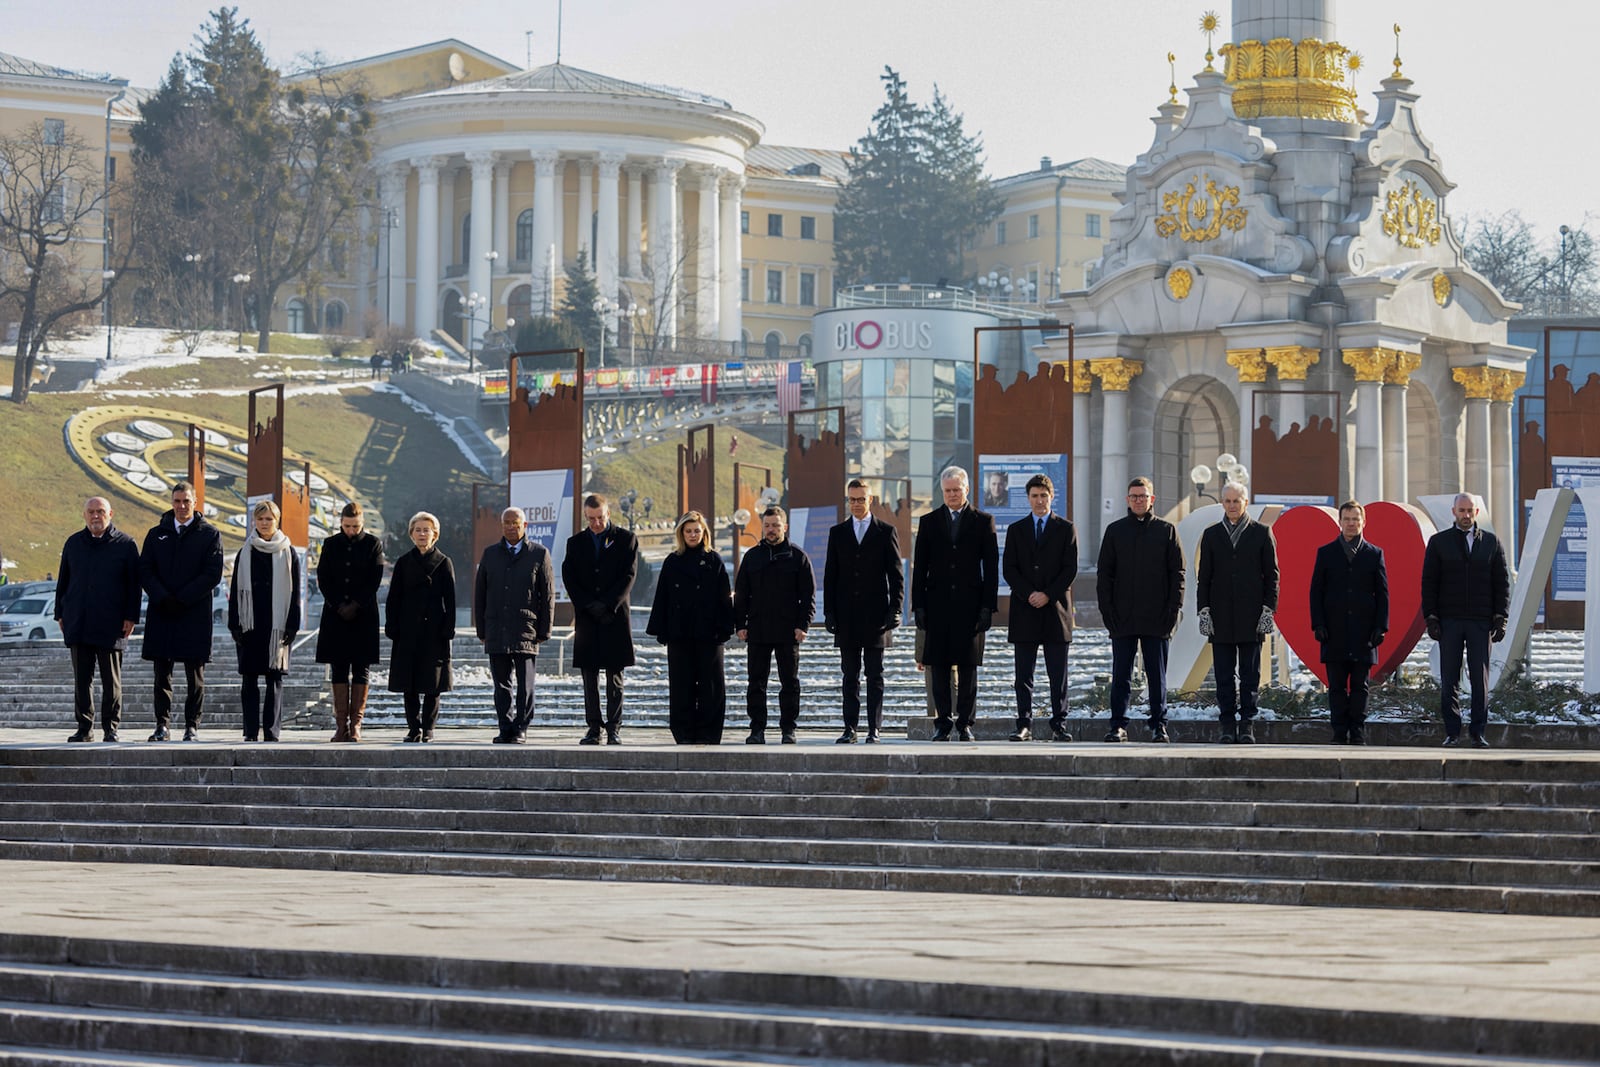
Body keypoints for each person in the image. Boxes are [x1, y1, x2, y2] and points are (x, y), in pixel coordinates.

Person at [912, 466, 999, 742]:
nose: (951, 495)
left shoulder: (983, 521)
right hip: (937, 605)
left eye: (956, 490)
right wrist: (919, 606)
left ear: (966, 489)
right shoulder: (928, 522)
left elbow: (992, 568)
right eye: (947, 490)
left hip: (970, 606)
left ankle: (965, 723)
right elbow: (920, 567)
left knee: (968, 666)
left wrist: (988, 606)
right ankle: (942, 723)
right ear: (942, 491)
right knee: (938, 666)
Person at [1096, 477, 1185, 742]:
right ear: (1127, 500)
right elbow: (1104, 575)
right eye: (1134, 496)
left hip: (1157, 617)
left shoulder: (1167, 531)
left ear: (1152, 500)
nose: (1138, 500)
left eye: (1143, 496)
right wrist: (1107, 611)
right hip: (1121, 617)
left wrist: (1173, 610)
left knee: (1156, 676)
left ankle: (1159, 725)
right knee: (1120, 675)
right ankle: (1118, 726)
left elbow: (1177, 574)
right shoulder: (1115, 531)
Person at [1422, 492, 1511, 747]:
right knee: (1449, 677)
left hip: (1480, 622)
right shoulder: (1439, 543)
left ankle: (1477, 732)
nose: (1466, 515)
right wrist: (1431, 617)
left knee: (1479, 679)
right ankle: (1452, 732)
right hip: (1449, 620)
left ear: (1476, 513)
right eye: (1461, 510)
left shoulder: (1491, 543)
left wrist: (1500, 617)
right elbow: (1429, 582)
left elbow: (1501, 584)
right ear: (1454, 512)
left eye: (1470, 510)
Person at [138, 482, 225, 741]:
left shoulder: (209, 534)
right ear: (172, 502)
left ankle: (191, 726)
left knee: (194, 675)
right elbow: (145, 570)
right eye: (177, 501)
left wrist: (183, 598)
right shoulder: (156, 534)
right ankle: (161, 726)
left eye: (186, 501)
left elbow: (212, 574)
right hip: (162, 611)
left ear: (195, 502)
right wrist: (163, 597)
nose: (181, 506)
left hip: (194, 614)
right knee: (161, 674)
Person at [1196, 482, 1279, 743]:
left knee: (1249, 675)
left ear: (1245, 502)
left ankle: (1247, 726)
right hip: (1220, 618)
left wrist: (1268, 610)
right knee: (1223, 675)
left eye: (1237, 500)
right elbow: (1204, 577)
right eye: (1228, 501)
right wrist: (1204, 611)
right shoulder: (1211, 535)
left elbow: (1272, 576)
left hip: (1251, 618)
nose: (1232, 505)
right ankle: (1227, 725)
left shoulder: (1261, 533)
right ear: (1222, 503)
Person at [823, 479, 903, 743]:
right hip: (846, 616)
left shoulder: (885, 531)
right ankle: (850, 728)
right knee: (850, 675)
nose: (856, 503)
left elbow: (896, 576)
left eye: (861, 499)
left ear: (871, 500)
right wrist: (830, 613)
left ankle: (874, 728)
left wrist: (895, 610)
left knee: (875, 674)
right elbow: (830, 576)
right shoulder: (838, 533)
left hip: (876, 616)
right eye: (852, 499)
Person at [55, 497, 141, 742]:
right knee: (82, 679)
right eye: (91, 512)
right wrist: (59, 613)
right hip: (78, 621)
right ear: (84, 515)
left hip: (112, 623)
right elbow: (63, 582)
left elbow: (134, 587)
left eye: (100, 511)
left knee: (111, 680)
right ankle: (84, 728)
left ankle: (111, 728)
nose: (95, 516)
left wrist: (131, 616)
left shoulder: (125, 544)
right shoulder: (73, 543)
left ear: (110, 513)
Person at [646, 511, 735, 744]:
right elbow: (662, 597)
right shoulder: (672, 561)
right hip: (680, 633)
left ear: (704, 532)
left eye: (697, 530)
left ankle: (710, 732)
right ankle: (684, 733)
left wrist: (726, 627)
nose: (693, 535)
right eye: (688, 531)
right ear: (681, 534)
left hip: (710, 633)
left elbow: (724, 595)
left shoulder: (714, 559)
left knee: (712, 685)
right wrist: (661, 629)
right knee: (681, 685)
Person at [1002, 474, 1078, 742]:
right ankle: (1024, 724)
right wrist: (1029, 593)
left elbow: (1070, 569)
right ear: (1028, 498)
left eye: (1043, 495)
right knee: (1024, 675)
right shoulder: (1016, 530)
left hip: (1055, 611)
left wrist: (1047, 594)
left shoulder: (1066, 528)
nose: (1039, 500)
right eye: (1034, 496)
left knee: (1058, 674)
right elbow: (1009, 569)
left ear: (1051, 496)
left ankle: (1059, 724)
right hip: (1025, 610)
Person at [734, 506, 816, 744]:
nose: (771, 530)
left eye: (776, 525)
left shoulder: (798, 557)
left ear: (785, 527)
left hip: (787, 630)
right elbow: (741, 593)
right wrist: (740, 623)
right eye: (768, 526)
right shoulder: (752, 556)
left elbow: (808, 596)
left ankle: (788, 729)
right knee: (756, 683)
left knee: (789, 682)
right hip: (757, 630)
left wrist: (804, 625)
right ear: (762, 527)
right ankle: (757, 729)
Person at [1309, 501, 1389, 745]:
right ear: (1340, 521)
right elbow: (1316, 592)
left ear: (1363, 522)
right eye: (1347, 519)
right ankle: (1338, 731)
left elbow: (1383, 593)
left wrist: (1380, 627)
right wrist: (1318, 624)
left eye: (1356, 519)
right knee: (1336, 686)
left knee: (1360, 686)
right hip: (1333, 631)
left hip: (1364, 632)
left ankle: (1357, 732)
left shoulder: (1374, 554)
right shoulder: (1326, 553)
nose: (1351, 523)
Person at [562, 493, 638, 745]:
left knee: (615, 677)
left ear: (608, 514)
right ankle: (594, 727)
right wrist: (587, 605)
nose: (596, 523)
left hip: (614, 617)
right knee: (589, 676)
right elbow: (569, 577)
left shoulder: (626, 539)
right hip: (587, 618)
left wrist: (607, 604)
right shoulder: (575, 543)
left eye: (600, 518)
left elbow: (628, 576)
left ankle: (614, 727)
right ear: (585, 516)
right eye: (591, 518)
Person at [475, 506, 554, 743]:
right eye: (506, 523)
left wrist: (544, 630)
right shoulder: (490, 554)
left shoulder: (539, 554)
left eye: (515, 523)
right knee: (501, 685)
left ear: (525, 526)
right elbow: (480, 594)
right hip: (496, 629)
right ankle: (505, 726)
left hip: (526, 629)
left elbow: (547, 595)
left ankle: (521, 727)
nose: (511, 527)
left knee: (525, 685)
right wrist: (482, 629)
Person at [228, 500, 302, 742]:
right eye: (260, 519)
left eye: (269, 519)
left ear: (276, 521)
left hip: (277, 625)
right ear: (254, 521)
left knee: (274, 679)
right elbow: (235, 589)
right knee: (249, 679)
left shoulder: (289, 552)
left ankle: (271, 731)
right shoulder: (244, 552)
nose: (264, 523)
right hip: (250, 624)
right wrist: (234, 624)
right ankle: (250, 731)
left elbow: (296, 592)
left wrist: (293, 625)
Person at [314, 502, 384, 742]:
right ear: (340, 523)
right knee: (339, 668)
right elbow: (323, 577)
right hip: (335, 615)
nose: (351, 530)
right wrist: (338, 605)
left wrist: (355, 605)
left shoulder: (373, 543)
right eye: (346, 526)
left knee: (362, 668)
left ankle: (356, 725)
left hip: (363, 615)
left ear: (362, 522)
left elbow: (375, 579)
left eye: (355, 526)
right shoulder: (331, 544)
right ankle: (340, 725)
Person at [385, 511, 455, 742]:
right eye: (418, 530)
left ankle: (429, 728)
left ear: (435, 534)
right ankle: (413, 727)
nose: (422, 534)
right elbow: (393, 597)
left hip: (434, 630)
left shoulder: (444, 562)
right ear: (411, 534)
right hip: (408, 629)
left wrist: (448, 628)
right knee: (410, 682)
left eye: (427, 529)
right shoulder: (404, 563)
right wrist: (392, 625)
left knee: (432, 683)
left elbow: (451, 599)